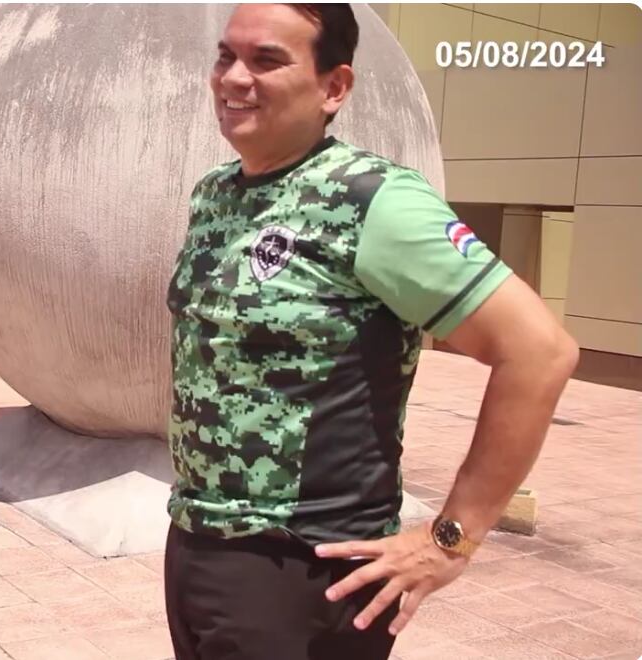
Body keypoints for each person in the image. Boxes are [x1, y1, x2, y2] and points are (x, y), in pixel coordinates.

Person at [163, 4, 578, 659]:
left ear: (334, 87)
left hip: (307, 568)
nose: (234, 78)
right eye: (226, 56)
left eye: (267, 60)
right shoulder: (216, 195)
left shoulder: (374, 200)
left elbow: (540, 352)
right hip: (199, 542)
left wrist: (451, 540)